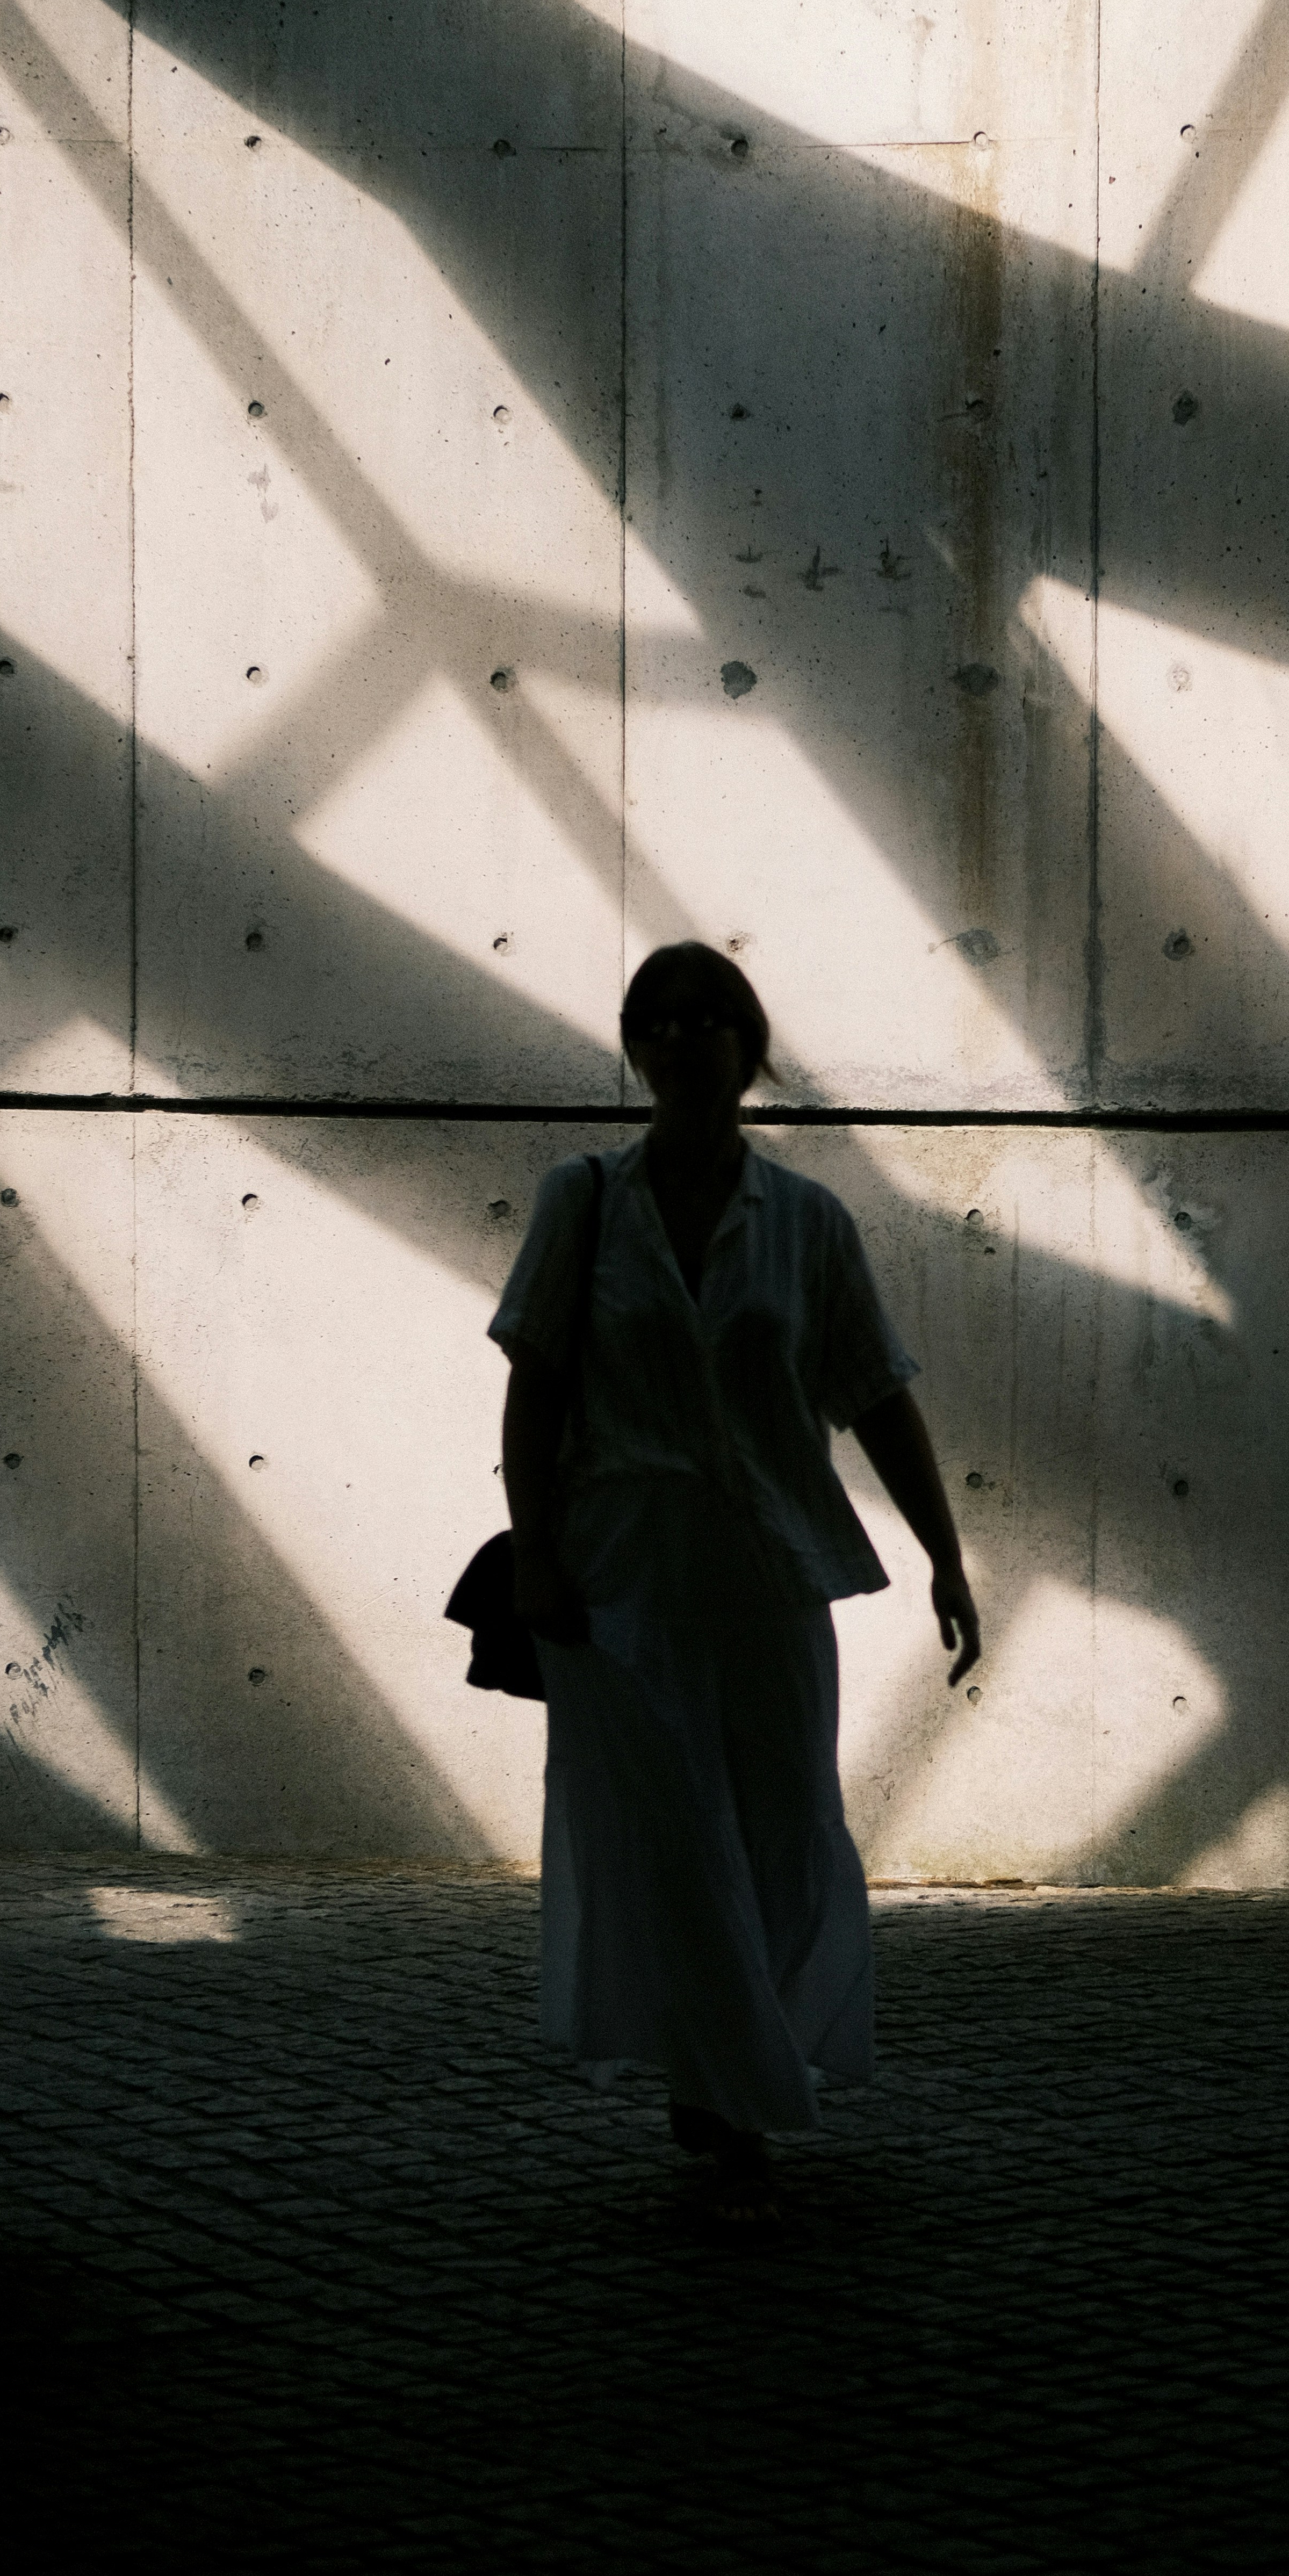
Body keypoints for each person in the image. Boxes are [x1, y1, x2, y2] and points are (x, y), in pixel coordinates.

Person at [489, 940, 978, 2213]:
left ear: (748, 1046)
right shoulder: (581, 1200)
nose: (687, 1035)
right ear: (636, 1046)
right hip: (622, 1571)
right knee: (672, 1828)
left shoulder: (807, 1222)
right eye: (662, 1017)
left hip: (766, 1570)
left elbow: (875, 1395)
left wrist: (944, 1554)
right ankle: (728, 2087)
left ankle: (736, 2058)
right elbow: (534, 1389)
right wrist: (537, 1553)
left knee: (780, 1823)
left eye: (712, 1016)